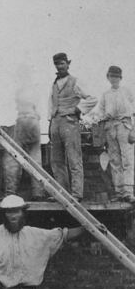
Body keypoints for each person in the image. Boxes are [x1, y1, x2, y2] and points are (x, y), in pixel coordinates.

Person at [47, 53, 98, 201]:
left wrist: (78, 109)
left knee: (74, 158)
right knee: (56, 160)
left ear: (68, 64)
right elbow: (51, 105)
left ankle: (76, 194)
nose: (59, 66)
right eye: (57, 64)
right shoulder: (54, 84)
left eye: (62, 63)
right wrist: (50, 122)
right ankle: (62, 193)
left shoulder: (75, 81)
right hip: (56, 122)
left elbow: (92, 99)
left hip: (70, 122)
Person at [95, 65, 135, 202]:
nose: (114, 79)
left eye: (116, 76)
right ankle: (118, 191)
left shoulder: (127, 92)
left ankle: (128, 191)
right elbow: (100, 113)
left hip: (125, 126)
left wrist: (133, 131)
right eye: (111, 76)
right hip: (110, 127)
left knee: (127, 159)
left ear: (120, 78)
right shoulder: (105, 94)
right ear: (108, 77)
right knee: (114, 159)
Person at [3, 95, 46, 200]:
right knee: (36, 159)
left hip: (22, 119)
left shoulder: (21, 90)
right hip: (35, 121)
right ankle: (38, 193)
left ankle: (10, 191)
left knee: (13, 158)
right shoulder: (34, 91)